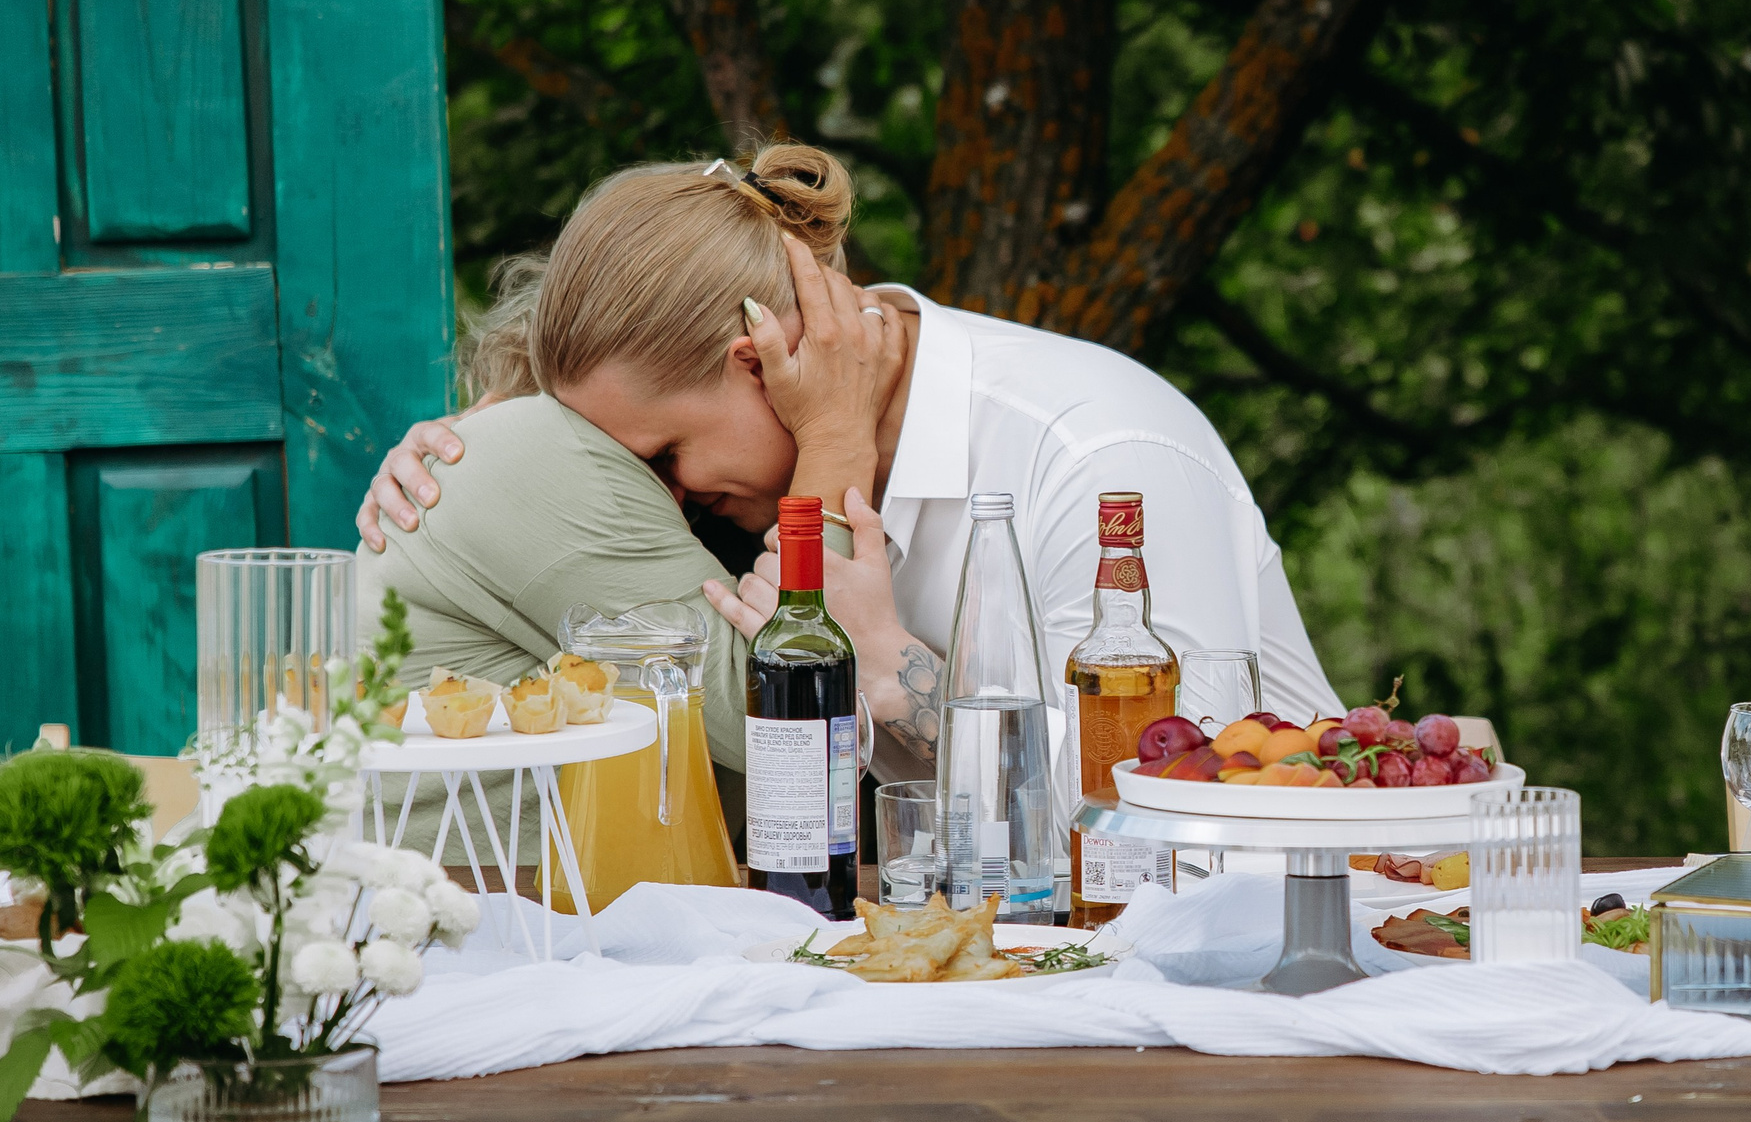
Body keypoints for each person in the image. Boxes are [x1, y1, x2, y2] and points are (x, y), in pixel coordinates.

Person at [356, 144, 1344, 816]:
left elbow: (1182, 797)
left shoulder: (1094, 458)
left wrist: (883, 665)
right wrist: (474, 456)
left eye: (659, 459)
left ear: (760, 356)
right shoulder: (769, 478)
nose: (663, 501)